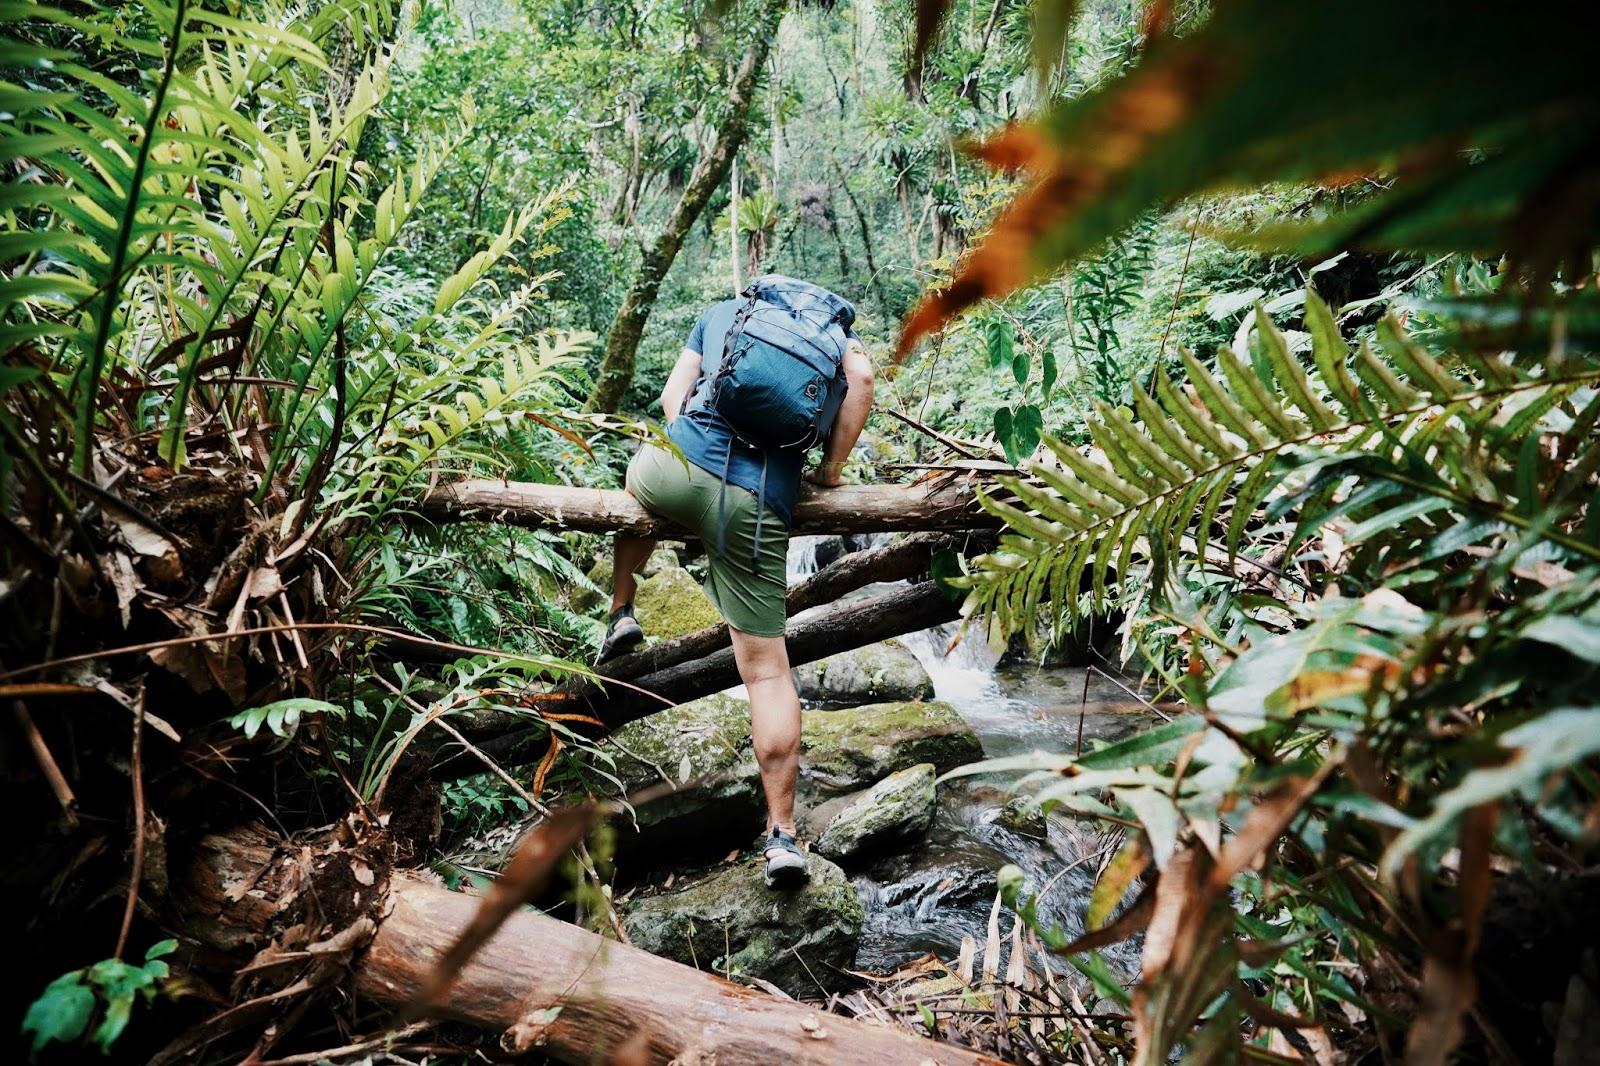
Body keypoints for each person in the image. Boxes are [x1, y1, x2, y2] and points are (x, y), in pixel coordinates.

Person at [597, 283, 874, 888]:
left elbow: (672, 398)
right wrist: (831, 471)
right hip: (756, 502)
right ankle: (782, 837)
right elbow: (863, 381)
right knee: (767, 675)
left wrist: (692, 455)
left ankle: (622, 610)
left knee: (635, 488)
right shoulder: (836, 339)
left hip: (674, 470)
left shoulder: (726, 312)